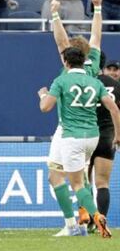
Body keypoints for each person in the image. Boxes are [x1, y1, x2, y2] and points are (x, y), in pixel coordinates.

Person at [38, 47, 120, 238]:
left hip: (71, 136)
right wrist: (118, 135)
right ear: (84, 62)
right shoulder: (94, 82)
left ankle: (95, 218)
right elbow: (114, 109)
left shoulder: (61, 80)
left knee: (77, 185)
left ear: (66, 63)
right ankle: (81, 223)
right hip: (93, 136)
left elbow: (45, 107)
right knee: (77, 178)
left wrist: (43, 94)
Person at [91, 55, 120, 221]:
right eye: (110, 68)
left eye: (115, 69)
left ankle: (87, 220)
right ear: (104, 68)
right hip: (107, 136)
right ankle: (101, 221)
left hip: (86, 135)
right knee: (102, 183)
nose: (113, 72)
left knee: (83, 182)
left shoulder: (87, 83)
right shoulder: (117, 87)